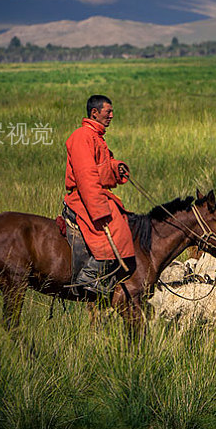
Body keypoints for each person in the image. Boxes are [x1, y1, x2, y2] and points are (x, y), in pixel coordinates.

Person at [63, 95, 133, 295]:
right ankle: (89, 276)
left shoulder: (96, 137)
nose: (112, 115)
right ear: (94, 113)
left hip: (93, 195)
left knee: (123, 223)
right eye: (108, 112)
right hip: (83, 198)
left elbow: (101, 168)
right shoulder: (82, 136)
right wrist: (99, 209)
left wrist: (115, 167)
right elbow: (87, 176)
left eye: (111, 112)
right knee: (117, 230)